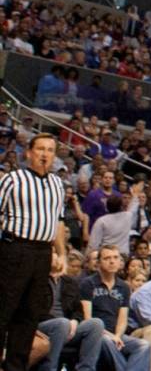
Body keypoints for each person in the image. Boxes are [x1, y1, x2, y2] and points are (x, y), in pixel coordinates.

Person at [3, 134, 69, 371]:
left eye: (50, 150)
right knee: (4, 310)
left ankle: (15, 368)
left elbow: (59, 222)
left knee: (30, 316)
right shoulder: (13, 179)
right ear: (28, 152)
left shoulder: (57, 184)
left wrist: (61, 254)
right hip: (15, 248)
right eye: (40, 149)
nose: (45, 154)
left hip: (43, 253)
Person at [79, 246, 151, 371]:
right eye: (107, 258)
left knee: (144, 345)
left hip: (117, 335)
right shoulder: (88, 283)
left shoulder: (123, 287)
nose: (112, 261)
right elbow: (88, 319)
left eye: (115, 257)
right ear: (98, 263)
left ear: (120, 261)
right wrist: (110, 336)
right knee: (107, 341)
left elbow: (122, 319)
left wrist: (118, 336)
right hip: (97, 334)